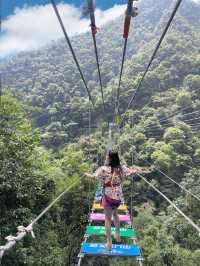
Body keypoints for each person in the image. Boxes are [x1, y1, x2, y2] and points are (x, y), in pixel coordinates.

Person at [85, 150, 139, 250]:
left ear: (109, 158)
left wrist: (86, 174)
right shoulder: (121, 168)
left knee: (107, 219)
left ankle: (109, 243)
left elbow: (94, 177)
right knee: (115, 214)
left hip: (107, 197)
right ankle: (117, 234)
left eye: (107, 156)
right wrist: (135, 171)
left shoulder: (103, 169)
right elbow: (130, 172)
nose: (106, 158)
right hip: (118, 198)